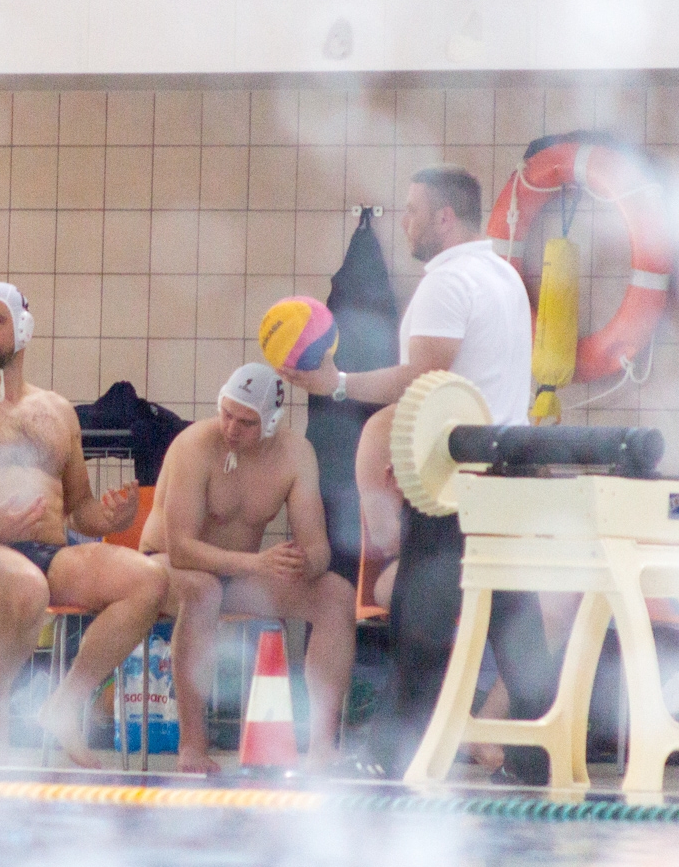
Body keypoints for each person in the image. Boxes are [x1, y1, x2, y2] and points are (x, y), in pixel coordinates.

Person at [278, 165, 559, 785]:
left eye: (411, 210)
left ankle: (392, 753)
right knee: (515, 621)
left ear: (444, 218)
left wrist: (338, 383)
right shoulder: (503, 278)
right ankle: (542, 757)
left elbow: (420, 380)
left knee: (420, 619)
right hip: (508, 469)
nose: (403, 222)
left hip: (457, 474)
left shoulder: (448, 282)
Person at [0, 282, 167, 767]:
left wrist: (111, 516)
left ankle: (64, 705)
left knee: (147, 579)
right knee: (26, 588)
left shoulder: (57, 411)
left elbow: (79, 507)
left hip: (53, 550)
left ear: (24, 330)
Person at [140, 363, 355, 774]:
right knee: (204, 590)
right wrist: (256, 563)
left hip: (235, 577)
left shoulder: (296, 456)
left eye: (246, 422)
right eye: (226, 413)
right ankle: (192, 745)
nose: (231, 428)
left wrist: (304, 564)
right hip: (165, 570)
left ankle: (323, 747)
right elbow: (181, 548)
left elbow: (319, 548)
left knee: (334, 595)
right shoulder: (194, 445)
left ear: (271, 424)